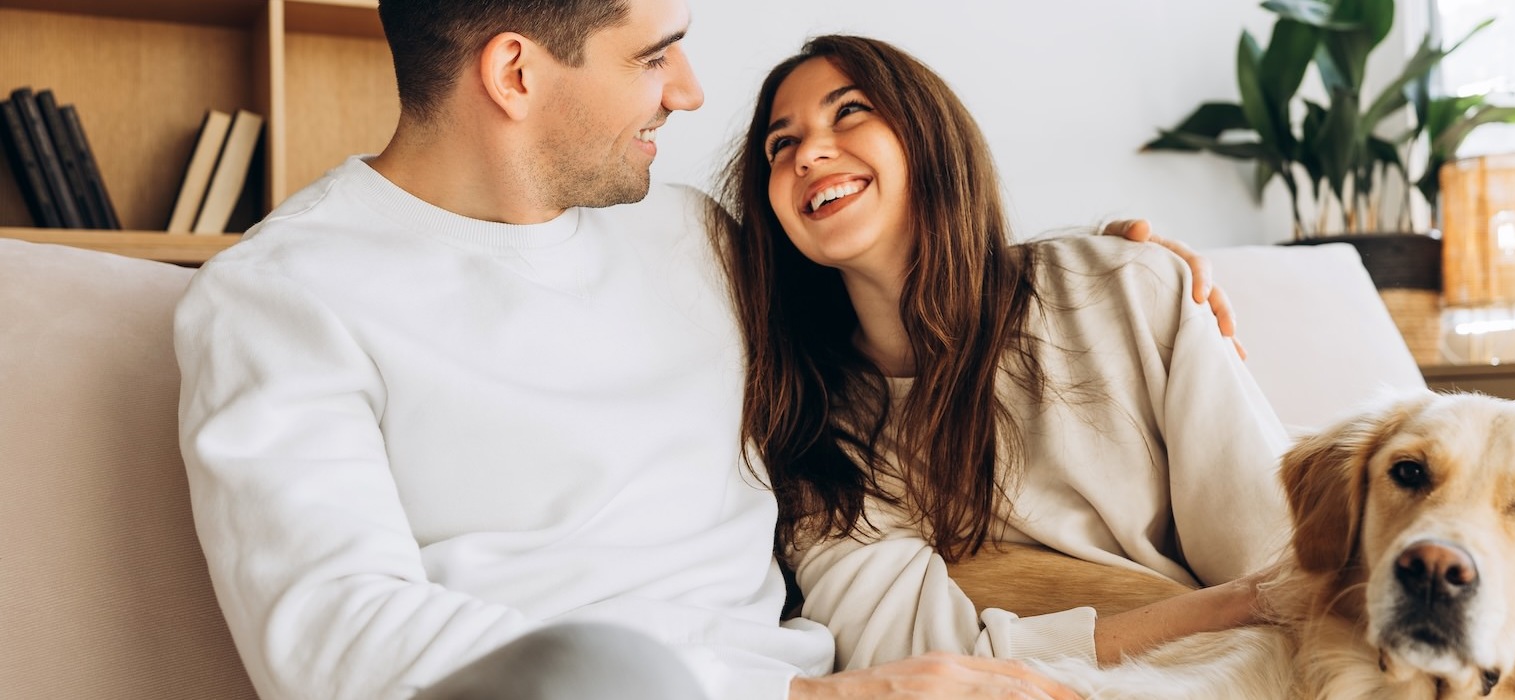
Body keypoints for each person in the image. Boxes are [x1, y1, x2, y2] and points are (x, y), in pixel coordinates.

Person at [174, 2, 1224, 699]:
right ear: (514, 73)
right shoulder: (283, 296)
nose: (687, 89)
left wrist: (1103, 261)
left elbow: (901, 263)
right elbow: (336, 643)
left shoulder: (694, 239)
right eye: (653, 52)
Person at [710, 34, 1295, 673]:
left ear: (927, 131)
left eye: (849, 110)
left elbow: (1280, 566)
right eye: (780, 144)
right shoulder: (816, 435)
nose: (808, 153)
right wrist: (1217, 611)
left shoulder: (1124, 287)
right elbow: (917, 665)